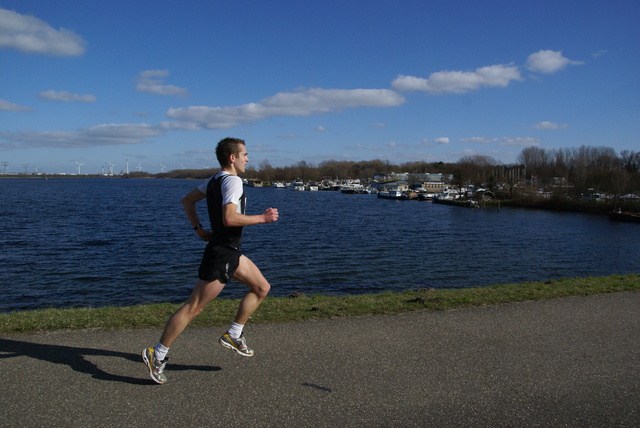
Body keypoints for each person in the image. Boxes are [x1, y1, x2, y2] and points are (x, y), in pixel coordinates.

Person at [142, 137, 279, 384]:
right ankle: (157, 353)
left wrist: (198, 228)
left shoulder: (214, 180)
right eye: (245, 154)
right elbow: (229, 218)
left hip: (230, 251)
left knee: (261, 287)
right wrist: (262, 218)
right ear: (232, 157)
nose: (248, 159)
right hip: (222, 253)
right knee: (194, 306)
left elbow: (187, 200)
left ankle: (234, 334)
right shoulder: (233, 181)